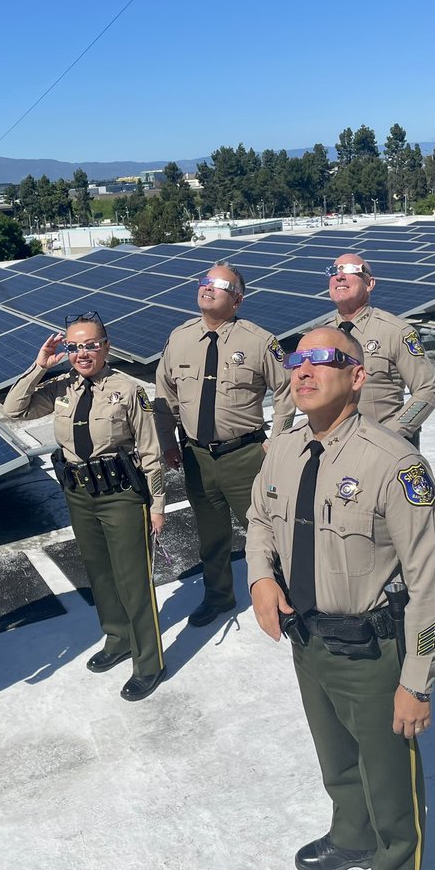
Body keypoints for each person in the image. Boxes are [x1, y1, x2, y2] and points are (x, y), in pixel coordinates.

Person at [246, 325, 435, 870]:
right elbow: (260, 521)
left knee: (392, 787)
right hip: (307, 640)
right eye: (297, 361)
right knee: (337, 762)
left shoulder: (395, 463)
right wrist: (260, 579)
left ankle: (393, 868)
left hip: (371, 654)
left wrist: (416, 682)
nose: (304, 371)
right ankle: (351, 838)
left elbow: (431, 581)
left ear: (357, 377)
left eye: (323, 360)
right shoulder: (283, 451)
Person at [4, 313, 168, 701]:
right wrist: (39, 366)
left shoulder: (128, 390)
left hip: (122, 496)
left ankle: (149, 662)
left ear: (106, 346)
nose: (82, 353)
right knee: (99, 573)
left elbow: (151, 452)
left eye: (90, 345)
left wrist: (157, 505)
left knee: (134, 580)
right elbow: (13, 410)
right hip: (79, 494)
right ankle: (118, 638)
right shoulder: (62, 387)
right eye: (74, 347)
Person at [154, 261, 294, 626]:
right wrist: (168, 442)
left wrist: (277, 441)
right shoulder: (179, 337)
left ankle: (285, 600)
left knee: (266, 533)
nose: (208, 286)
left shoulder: (259, 341)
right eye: (204, 280)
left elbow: (287, 389)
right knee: (210, 536)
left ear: (237, 300)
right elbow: (164, 395)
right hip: (196, 457)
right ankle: (219, 597)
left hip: (245, 456)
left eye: (219, 283)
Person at [326, 253, 435, 447]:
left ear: (370, 284)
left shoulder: (396, 332)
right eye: (334, 271)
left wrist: (391, 433)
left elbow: (427, 390)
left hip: (383, 449)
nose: (340, 276)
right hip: (333, 445)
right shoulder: (321, 335)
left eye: (351, 270)